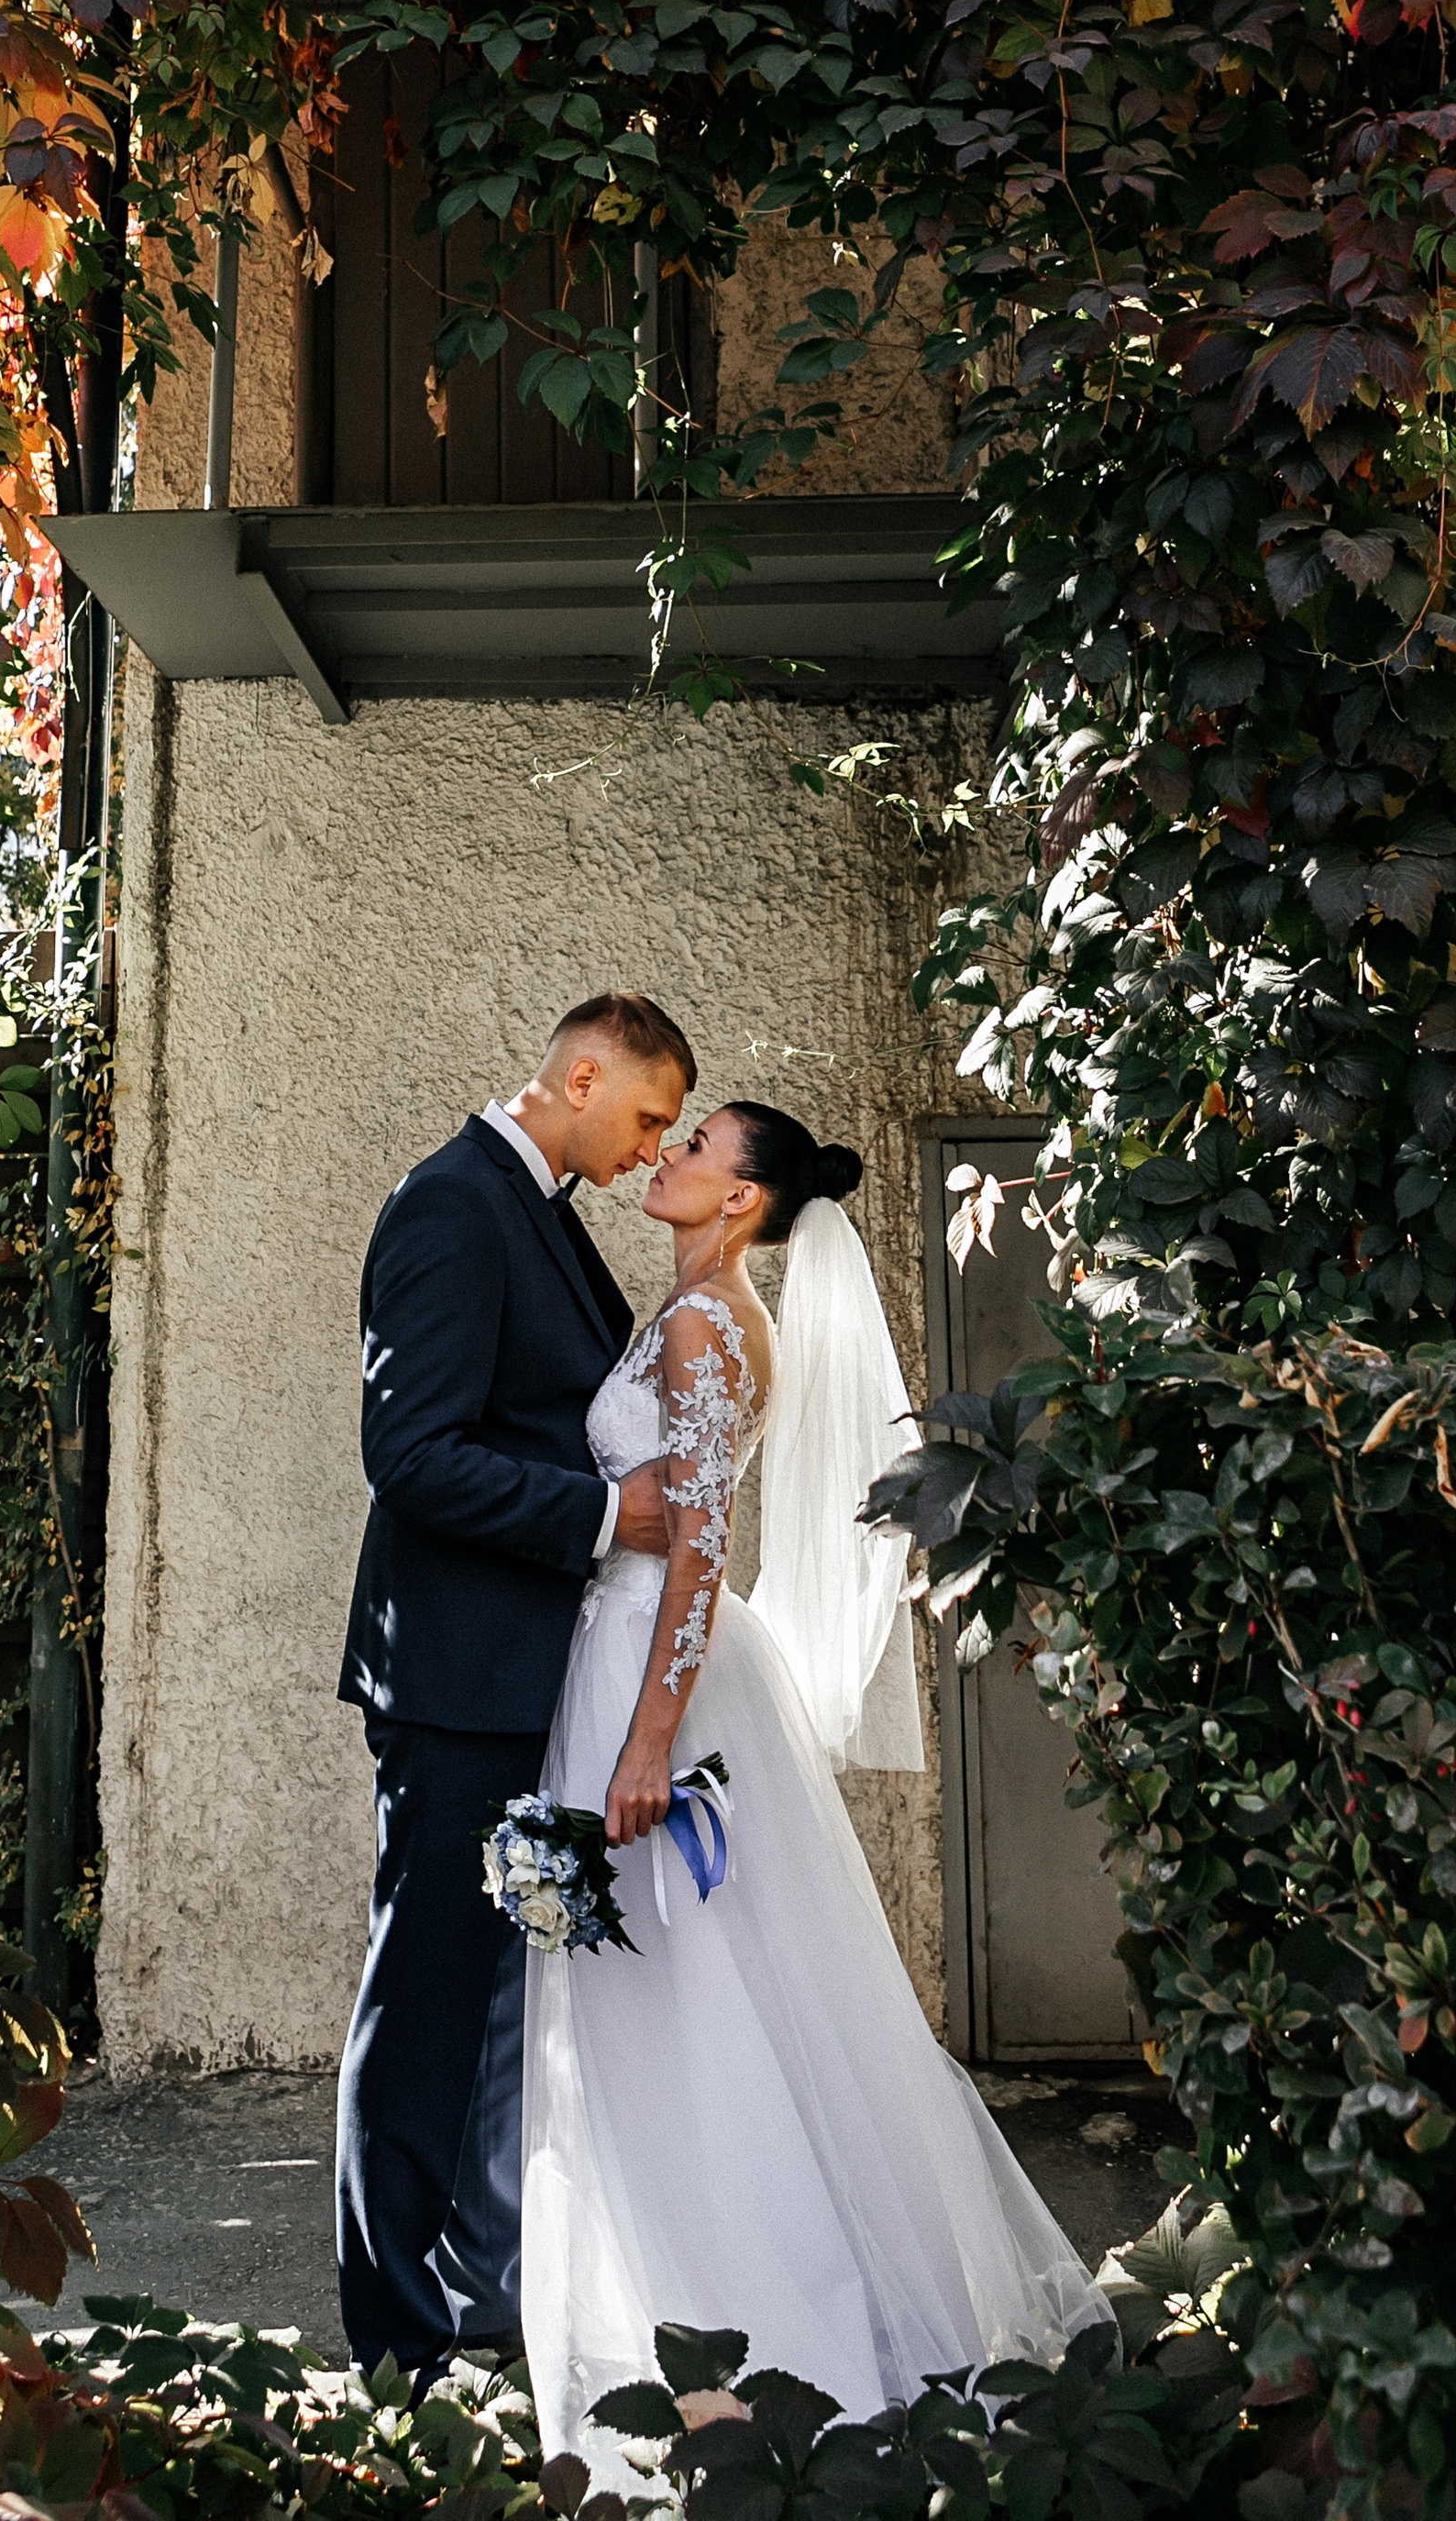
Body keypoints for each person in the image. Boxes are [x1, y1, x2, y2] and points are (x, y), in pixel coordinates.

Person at [521, 1101, 1111, 2460]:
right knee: (677, 1999)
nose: (666, 1155)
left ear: (740, 1201)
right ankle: (691, 2328)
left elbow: (699, 1546)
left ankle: (771, 2343)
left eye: (697, 1146)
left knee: (686, 2003)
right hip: (627, 1665)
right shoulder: (687, 1311)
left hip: (654, 1682)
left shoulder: (710, 1323)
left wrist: (652, 1735)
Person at [336, 992, 698, 2387]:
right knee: (424, 2003)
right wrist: (614, 1523)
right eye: (649, 1117)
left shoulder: (538, 1207)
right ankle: (394, 2342)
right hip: (454, 1674)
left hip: (522, 1671)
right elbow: (411, 1456)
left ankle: (479, 2301)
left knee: (491, 2005)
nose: (651, 1147)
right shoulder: (451, 1205)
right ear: (584, 1071)